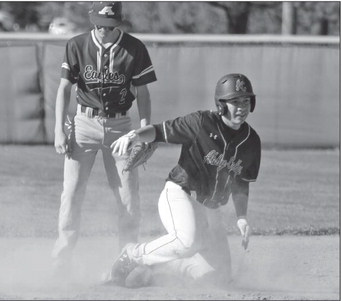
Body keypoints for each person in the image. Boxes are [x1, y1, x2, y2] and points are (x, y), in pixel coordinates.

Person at [109, 73, 261, 288]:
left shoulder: (251, 141)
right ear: (221, 105)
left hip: (210, 210)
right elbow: (160, 131)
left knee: (220, 278)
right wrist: (134, 135)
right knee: (186, 241)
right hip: (180, 193)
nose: (241, 107)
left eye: (246, 101)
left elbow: (241, 182)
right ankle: (132, 254)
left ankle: (158, 269)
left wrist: (242, 217)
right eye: (235, 101)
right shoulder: (201, 122)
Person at [52, 1, 157, 277]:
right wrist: (58, 129)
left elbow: (143, 94)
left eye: (109, 26)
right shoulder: (76, 45)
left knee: (128, 198)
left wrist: (145, 132)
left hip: (121, 127)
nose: (103, 31)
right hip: (83, 124)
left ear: (118, 24)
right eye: (99, 24)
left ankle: (127, 261)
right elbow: (64, 88)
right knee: (72, 194)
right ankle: (61, 262)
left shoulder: (134, 48)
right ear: (91, 20)